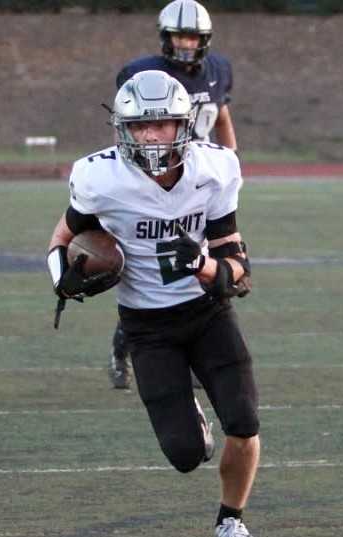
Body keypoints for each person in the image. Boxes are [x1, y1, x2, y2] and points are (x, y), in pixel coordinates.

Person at [47, 70, 260, 537]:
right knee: (185, 455)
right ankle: (193, 417)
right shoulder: (100, 178)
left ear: (182, 124)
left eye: (161, 123)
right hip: (146, 327)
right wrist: (62, 275)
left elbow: (238, 268)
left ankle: (231, 522)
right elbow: (62, 238)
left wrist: (206, 267)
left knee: (245, 422)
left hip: (209, 314)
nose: (150, 134)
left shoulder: (214, 168)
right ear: (123, 129)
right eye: (140, 126)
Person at [109, 0, 238, 389]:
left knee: (211, 261)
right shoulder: (141, 74)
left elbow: (223, 117)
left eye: (193, 37)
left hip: (200, 180)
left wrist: (231, 163)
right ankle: (126, 342)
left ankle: (204, 352)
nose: (186, 44)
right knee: (158, 271)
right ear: (165, 38)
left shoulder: (218, 70)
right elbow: (128, 127)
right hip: (158, 178)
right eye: (180, 36)